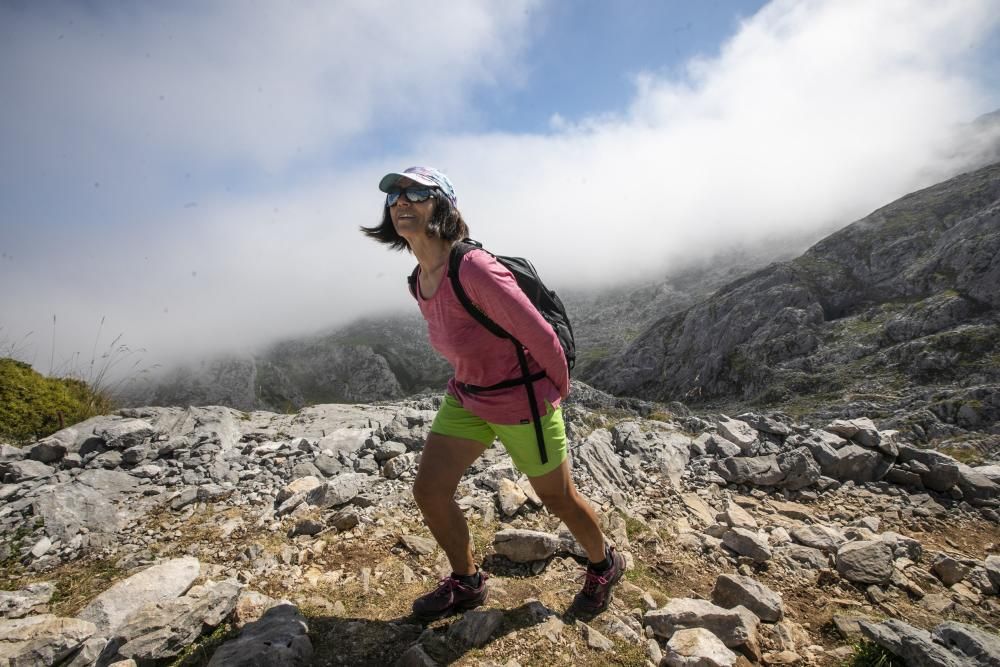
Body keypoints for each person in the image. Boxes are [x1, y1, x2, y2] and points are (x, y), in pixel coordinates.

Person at [361, 166, 625, 621]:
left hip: (521, 402)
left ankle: (604, 565)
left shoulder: (475, 268)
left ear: (442, 205)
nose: (401, 202)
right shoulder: (419, 278)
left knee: (557, 498)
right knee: (429, 491)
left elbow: (541, 336)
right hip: (466, 398)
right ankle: (467, 582)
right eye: (394, 196)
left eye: (417, 193)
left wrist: (553, 393)